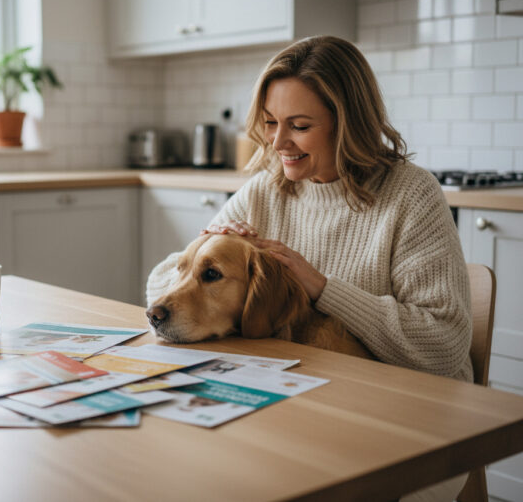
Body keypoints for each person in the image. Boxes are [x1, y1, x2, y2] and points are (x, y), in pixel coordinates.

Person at [146, 36, 472, 501]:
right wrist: (203, 250)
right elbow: (162, 285)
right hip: (303, 397)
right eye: (271, 122)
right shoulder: (265, 190)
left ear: (349, 124)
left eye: (298, 125)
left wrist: (320, 286)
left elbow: (443, 345)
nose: (278, 142)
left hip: (417, 417)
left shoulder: (411, 196)